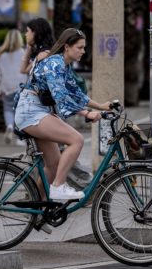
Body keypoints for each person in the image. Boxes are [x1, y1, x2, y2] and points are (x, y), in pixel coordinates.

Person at [14, 28, 115, 200]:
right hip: (31, 111)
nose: (83, 51)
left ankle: (36, 207)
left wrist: (102, 106)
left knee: (53, 164)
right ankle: (58, 186)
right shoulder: (55, 63)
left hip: (38, 111)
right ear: (67, 47)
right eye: (80, 47)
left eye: (84, 48)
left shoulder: (64, 65)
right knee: (76, 140)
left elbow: (75, 93)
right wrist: (87, 113)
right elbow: (60, 96)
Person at [0, 29, 27, 145]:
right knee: (20, 111)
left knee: (8, 109)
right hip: (20, 86)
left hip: (6, 86)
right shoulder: (23, 53)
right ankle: (19, 138)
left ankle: (9, 126)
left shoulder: (1, 55)